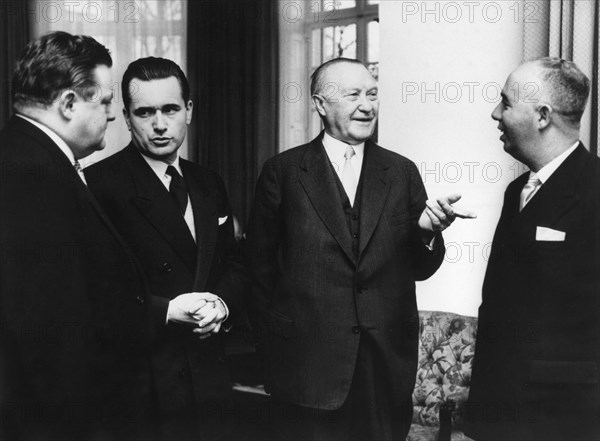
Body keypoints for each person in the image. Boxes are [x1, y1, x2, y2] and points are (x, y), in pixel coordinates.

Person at [245, 57, 476, 440]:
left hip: (384, 372)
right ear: (321, 104)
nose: (367, 105)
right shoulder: (283, 172)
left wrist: (426, 233)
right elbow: (259, 272)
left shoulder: (401, 172)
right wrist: (273, 358)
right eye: (353, 95)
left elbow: (422, 267)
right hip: (306, 373)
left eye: (372, 94)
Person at [0, 31, 157, 440]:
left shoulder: (28, 156)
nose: (110, 115)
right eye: (104, 101)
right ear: (69, 103)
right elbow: (46, 335)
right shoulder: (32, 175)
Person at [84, 57, 247, 441]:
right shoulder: (97, 186)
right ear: (126, 117)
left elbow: (236, 263)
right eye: (145, 112)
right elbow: (90, 292)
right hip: (141, 387)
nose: (159, 125)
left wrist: (221, 305)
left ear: (188, 111)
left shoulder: (208, 182)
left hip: (210, 379)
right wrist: (168, 312)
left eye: (170, 109)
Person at [464, 57, 600, 440]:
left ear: (542, 116)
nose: (495, 113)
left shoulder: (595, 191)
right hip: (499, 407)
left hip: (561, 417)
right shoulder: (516, 192)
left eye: (505, 103)